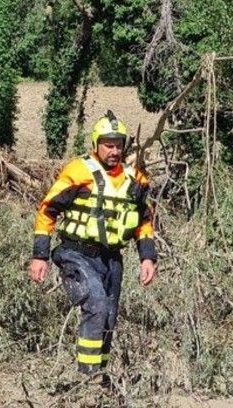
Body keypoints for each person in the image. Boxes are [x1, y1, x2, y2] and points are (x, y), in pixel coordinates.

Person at [29, 111, 158, 376]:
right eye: (108, 145)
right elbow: (47, 211)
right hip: (75, 253)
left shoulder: (136, 180)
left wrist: (148, 258)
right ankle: (85, 379)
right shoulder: (79, 171)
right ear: (96, 144)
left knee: (109, 316)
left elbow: (144, 221)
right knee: (96, 304)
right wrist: (39, 255)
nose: (114, 150)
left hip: (111, 259)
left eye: (118, 145)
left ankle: (101, 373)